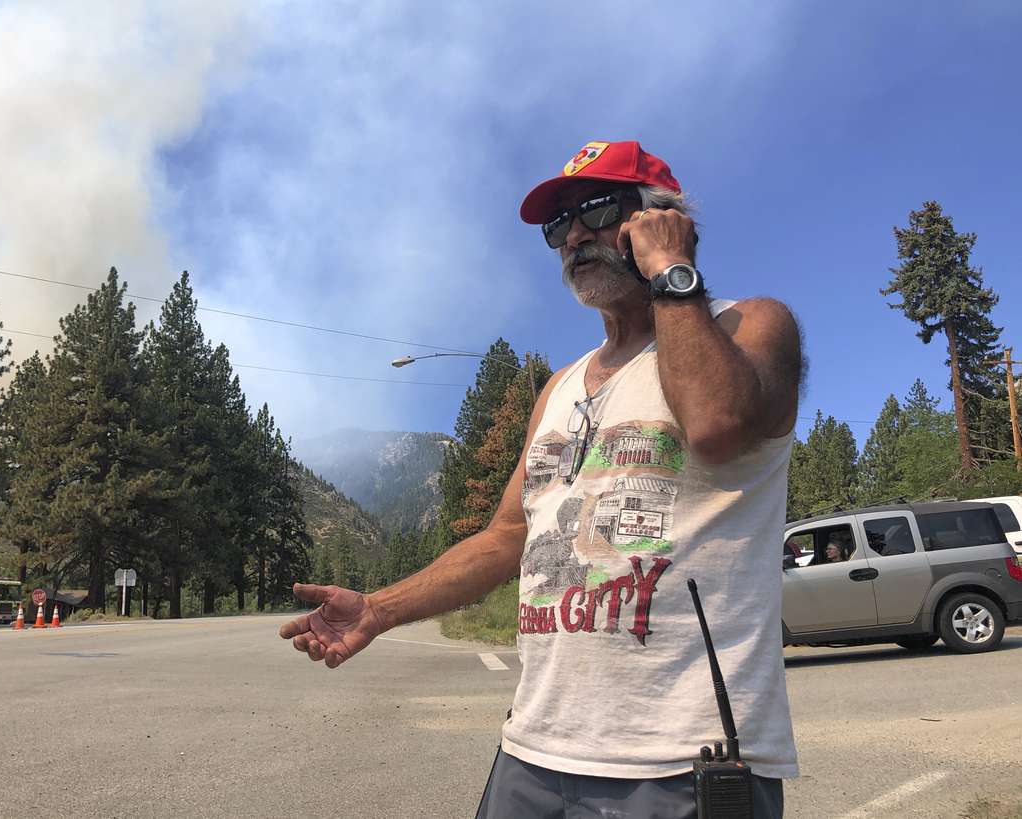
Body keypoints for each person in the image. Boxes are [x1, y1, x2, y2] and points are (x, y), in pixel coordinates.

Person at [278, 140, 802, 818]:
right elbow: (506, 538)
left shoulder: (751, 323)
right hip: (536, 750)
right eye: (559, 225)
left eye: (595, 209)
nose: (574, 235)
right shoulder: (559, 387)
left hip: (683, 759)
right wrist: (378, 609)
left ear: (659, 215)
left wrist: (671, 266)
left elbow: (714, 423)